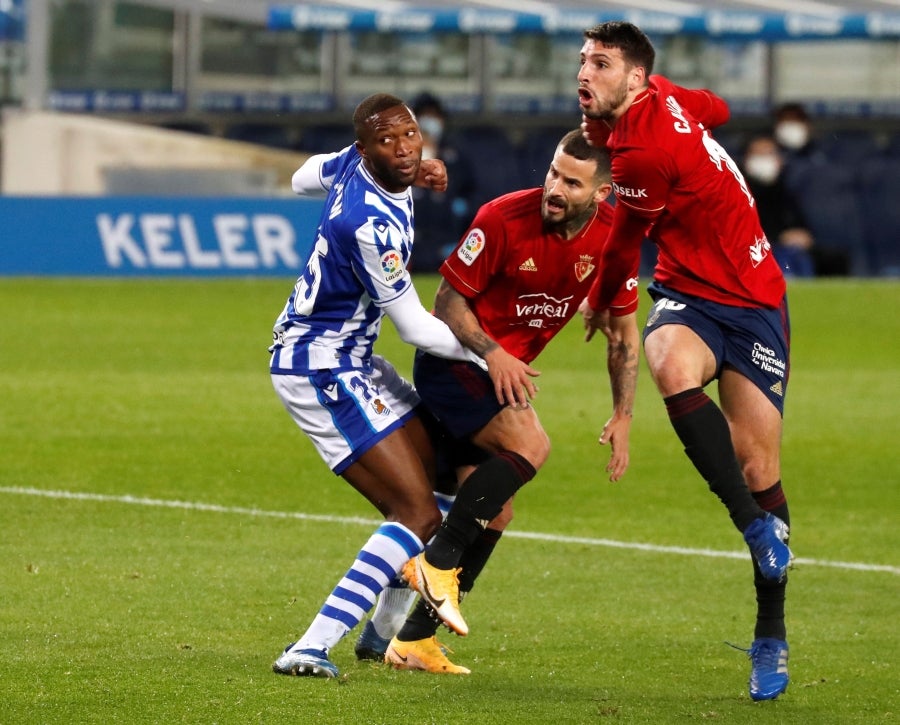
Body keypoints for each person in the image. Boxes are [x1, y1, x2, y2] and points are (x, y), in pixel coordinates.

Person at [576, 21, 794, 702]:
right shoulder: (663, 96)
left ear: (635, 78)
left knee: (759, 466)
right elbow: (716, 107)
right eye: (583, 61)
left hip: (755, 300)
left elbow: (623, 242)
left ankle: (771, 634)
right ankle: (753, 526)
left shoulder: (641, 153)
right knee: (668, 357)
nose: (584, 73)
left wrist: (598, 297)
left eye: (601, 63)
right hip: (691, 293)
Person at [374, 129, 640, 673]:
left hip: (501, 376)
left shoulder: (614, 239)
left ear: (603, 193)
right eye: (553, 173)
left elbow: (623, 336)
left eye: (572, 183)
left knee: (496, 512)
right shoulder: (502, 218)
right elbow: (448, 301)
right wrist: (494, 353)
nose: (555, 189)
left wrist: (623, 413)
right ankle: (436, 564)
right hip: (456, 362)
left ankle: (413, 640)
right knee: (531, 444)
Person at [268, 92, 485, 679]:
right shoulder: (369, 224)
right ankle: (308, 648)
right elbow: (415, 327)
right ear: (367, 150)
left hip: (354, 358)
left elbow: (300, 178)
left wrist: (400, 164)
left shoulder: (354, 162)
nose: (406, 147)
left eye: (410, 134)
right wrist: (491, 355)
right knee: (415, 512)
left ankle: (381, 636)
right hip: (320, 367)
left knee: (445, 479)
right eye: (389, 141)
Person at [408, 92, 478, 272]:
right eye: (424, 115)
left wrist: (463, 209)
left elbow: (472, 192)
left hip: (446, 241)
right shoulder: (400, 154)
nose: (429, 121)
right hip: (410, 243)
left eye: (433, 115)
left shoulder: (455, 154)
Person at [740, 135, 815, 278]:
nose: (764, 160)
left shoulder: (786, 191)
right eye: (758, 154)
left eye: (769, 154)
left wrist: (802, 235)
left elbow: (801, 227)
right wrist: (778, 237)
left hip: (786, 253)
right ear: (746, 159)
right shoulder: (735, 192)